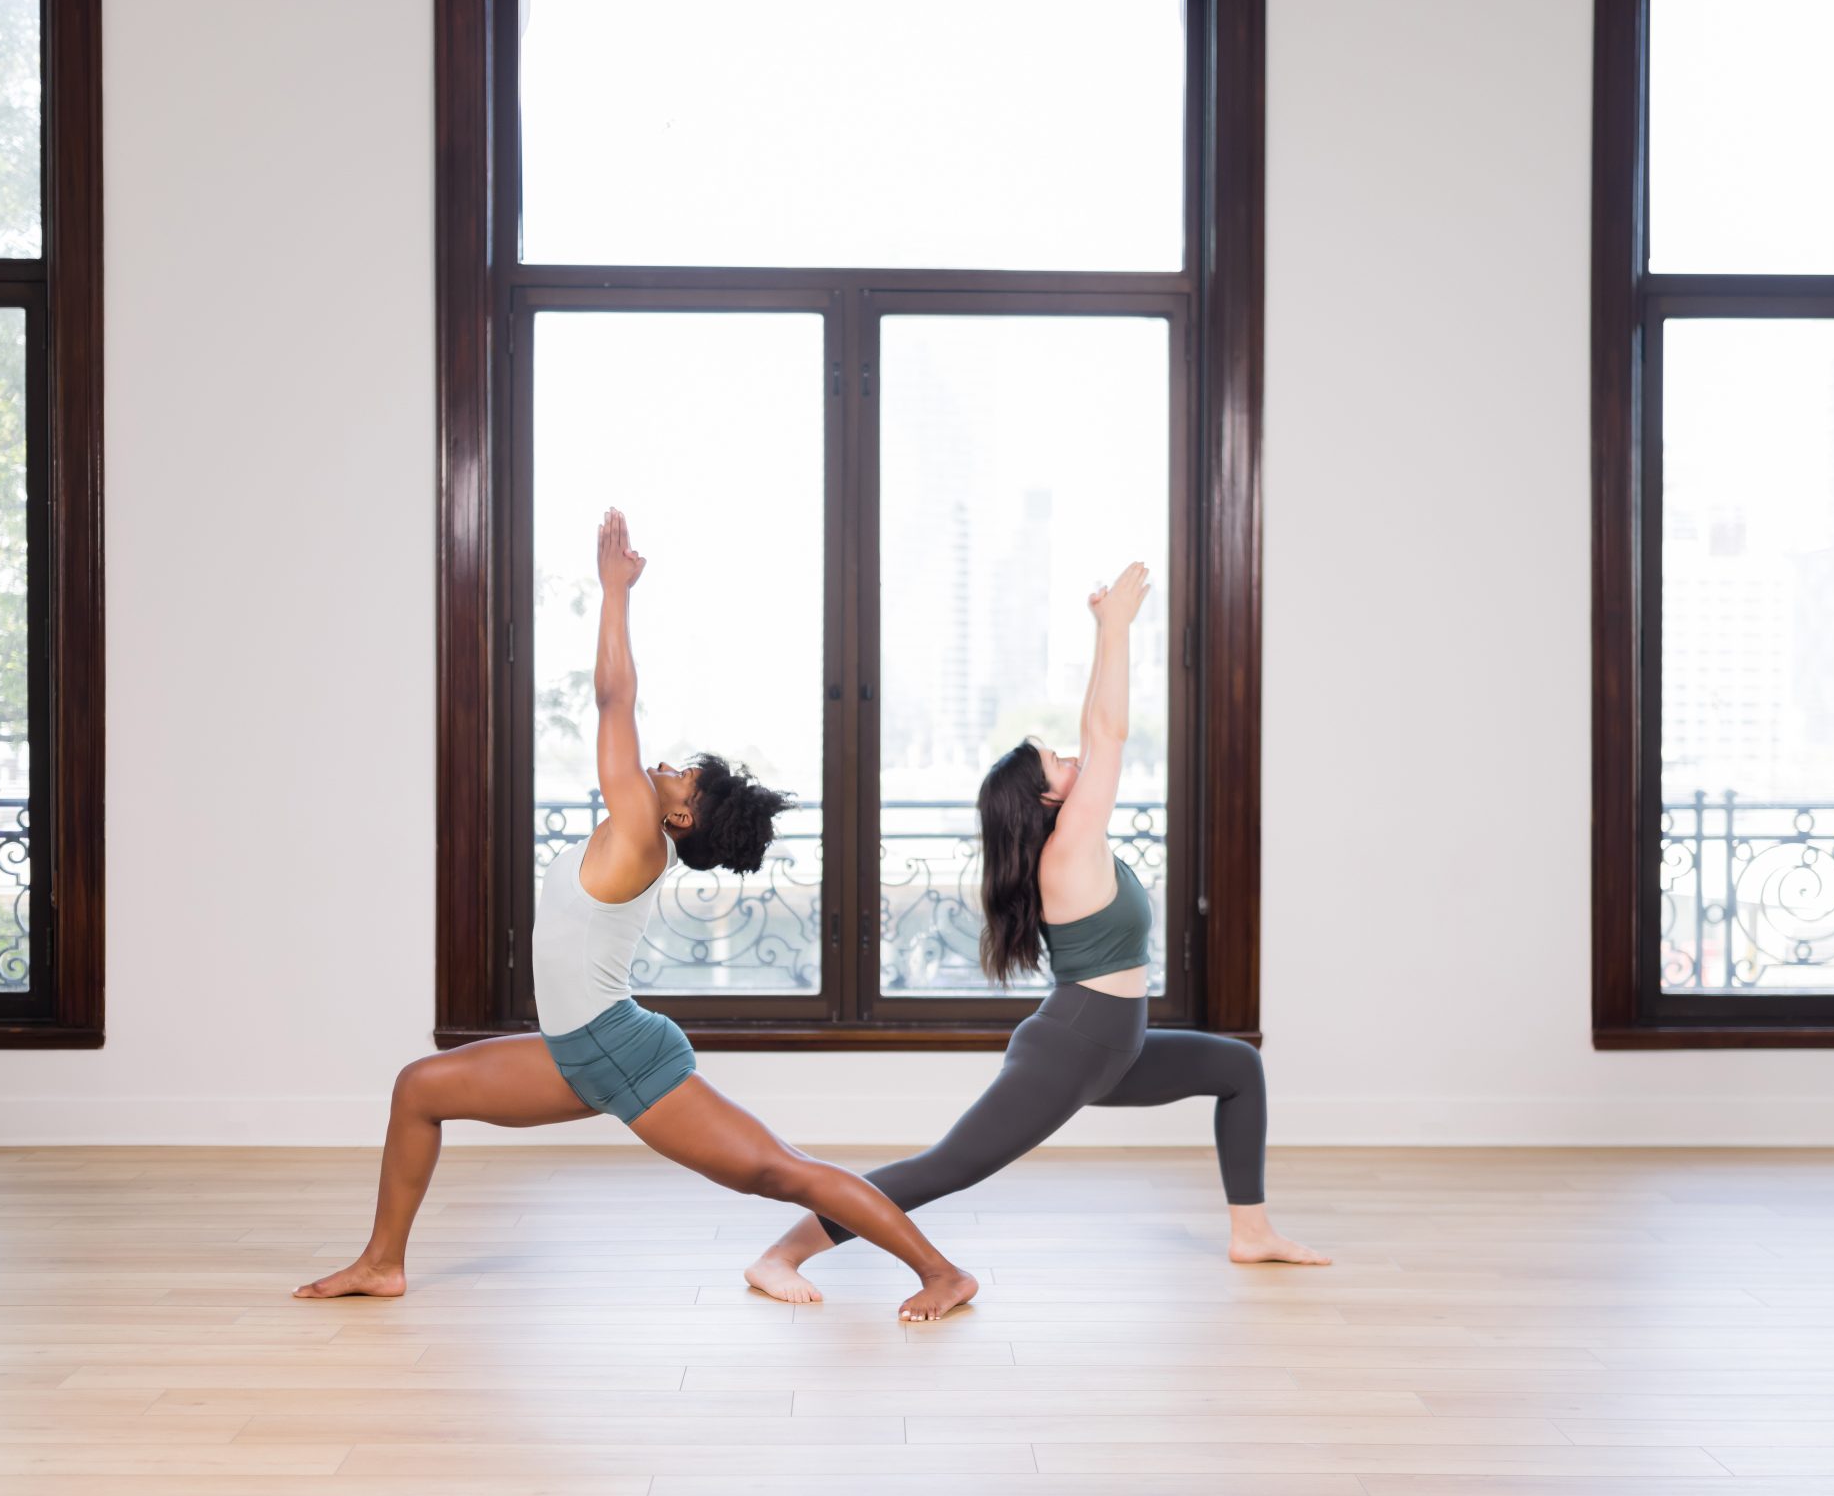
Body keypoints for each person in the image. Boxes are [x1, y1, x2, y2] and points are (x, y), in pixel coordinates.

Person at [298, 509, 978, 1321]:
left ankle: (941, 1273)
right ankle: (381, 1263)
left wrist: (614, 591)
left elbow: (614, 698)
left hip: (615, 1056)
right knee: (419, 1090)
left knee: (780, 1170)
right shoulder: (636, 830)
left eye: (683, 776)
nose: (665, 765)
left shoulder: (636, 829)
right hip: (577, 1050)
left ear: (682, 818)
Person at [743, 560, 1326, 1303]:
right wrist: (1113, 629)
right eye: (1060, 761)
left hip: (1116, 1046)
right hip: (1077, 1045)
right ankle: (779, 1255)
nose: (1077, 758)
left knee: (1236, 1070)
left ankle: (1252, 1232)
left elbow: (1100, 738)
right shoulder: (1068, 849)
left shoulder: (1074, 844)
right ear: (1046, 799)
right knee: (944, 1168)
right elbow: (1108, 730)